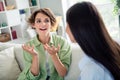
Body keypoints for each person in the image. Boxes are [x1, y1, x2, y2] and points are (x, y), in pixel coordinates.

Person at [66, 1, 120, 80]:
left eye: (68, 24)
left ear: (80, 28)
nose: (65, 30)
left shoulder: (92, 70)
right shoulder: (114, 47)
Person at [18, 8, 72, 80]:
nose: (43, 24)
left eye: (46, 21)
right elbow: (32, 77)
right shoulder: (29, 46)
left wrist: (54, 55)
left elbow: (63, 73)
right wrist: (35, 56)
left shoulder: (62, 43)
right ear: (33, 24)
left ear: (51, 23)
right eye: (38, 21)